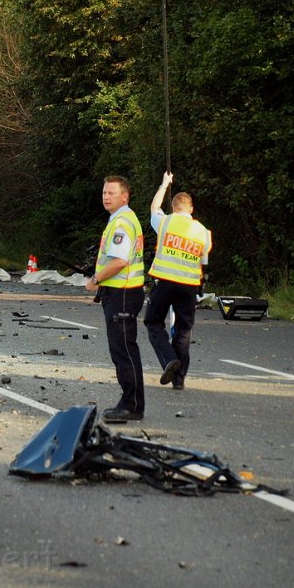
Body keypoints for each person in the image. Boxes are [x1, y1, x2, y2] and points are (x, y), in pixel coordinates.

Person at [85, 176, 146, 423]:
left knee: (123, 350)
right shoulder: (121, 219)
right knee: (124, 348)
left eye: (111, 192)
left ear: (125, 196)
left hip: (122, 293)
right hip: (122, 292)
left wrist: (96, 279)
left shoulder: (122, 222)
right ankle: (132, 403)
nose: (105, 196)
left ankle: (131, 405)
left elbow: (120, 261)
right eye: (104, 192)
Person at [144, 171, 212, 390]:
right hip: (189, 287)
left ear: (174, 208)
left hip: (164, 282)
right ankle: (179, 379)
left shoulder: (165, 223)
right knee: (183, 330)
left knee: (153, 322)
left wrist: (164, 184)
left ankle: (168, 359)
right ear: (191, 209)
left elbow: (154, 208)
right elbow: (203, 261)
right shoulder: (203, 232)